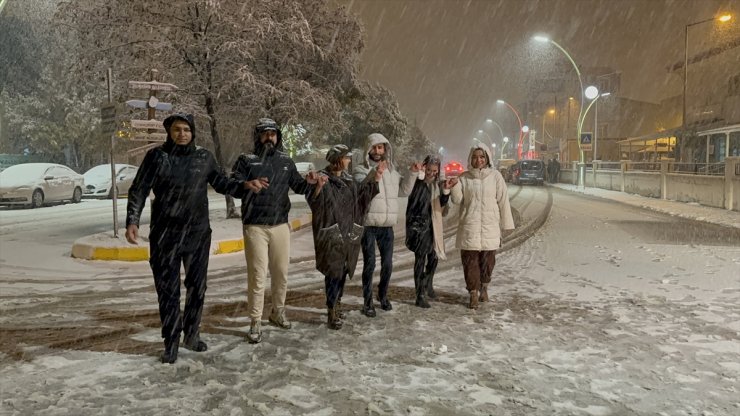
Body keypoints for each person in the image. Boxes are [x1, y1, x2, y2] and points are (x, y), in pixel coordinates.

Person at [125, 113, 248, 364]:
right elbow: (139, 188)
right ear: (169, 132)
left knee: (197, 287)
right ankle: (171, 342)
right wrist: (132, 220)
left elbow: (223, 184)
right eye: (177, 130)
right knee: (167, 291)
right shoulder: (157, 158)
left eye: (186, 130)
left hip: (197, 234)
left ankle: (191, 334)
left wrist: (246, 187)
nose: (182, 134)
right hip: (165, 236)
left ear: (193, 133)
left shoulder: (203, 158)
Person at [231, 118, 311, 344]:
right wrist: (246, 184)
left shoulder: (286, 160)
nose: (269, 137)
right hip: (255, 225)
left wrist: (312, 182)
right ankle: (255, 320)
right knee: (257, 276)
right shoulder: (246, 160)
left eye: (273, 134)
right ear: (258, 136)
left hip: (280, 225)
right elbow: (232, 185)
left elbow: (299, 186)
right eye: (265, 133)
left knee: (281, 273)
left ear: (278, 137)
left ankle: (277, 312)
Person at [306, 144, 381, 329]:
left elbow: (361, 200)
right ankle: (331, 310)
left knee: (342, 271)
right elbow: (314, 202)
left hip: (347, 232)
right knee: (333, 272)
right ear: (337, 159)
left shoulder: (348, 180)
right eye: (346, 158)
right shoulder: (323, 178)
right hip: (331, 231)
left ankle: (337, 304)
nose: (348, 161)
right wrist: (317, 187)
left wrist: (375, 179)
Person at [353, 133, 414, 317]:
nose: (378, 151)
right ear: (368, 149)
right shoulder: (360, 170)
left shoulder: (392, 171)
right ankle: (367, 301)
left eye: (381, 147)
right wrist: (375, 173)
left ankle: (382, 294)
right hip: (369, 225)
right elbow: (362, 189)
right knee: (369, 264)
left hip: (387, 226)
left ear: (385, 149)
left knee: (387, 264)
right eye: (374, 147)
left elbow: (403, 191)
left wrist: (412, 173)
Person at [450, 142, 515, 309]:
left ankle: (484, 287)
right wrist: (455, 186)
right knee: (470, 262)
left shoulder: (496, 177)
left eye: (482, 157)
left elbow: (503, 201)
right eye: (475, 157)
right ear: (470, 159)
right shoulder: (464, 177)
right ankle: (473, 292)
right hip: (469, 225)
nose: (478, 160)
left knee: (488, 261)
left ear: (487, 158)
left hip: (490, 226)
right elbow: (457, 200)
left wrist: (506, 224)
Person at [404, 155, 457, 308]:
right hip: (419, 227)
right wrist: (420, 180)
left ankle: (428, 284)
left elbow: (440, 205)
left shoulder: (435, 186)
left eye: (434, 171)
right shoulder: (417, 184)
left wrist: (446, 191)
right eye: (429, 170)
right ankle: (419, 294)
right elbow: (414, 203)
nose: (431, 173)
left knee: (434, 258)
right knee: (420, 260)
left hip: (433, 226)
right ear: (424, 168)